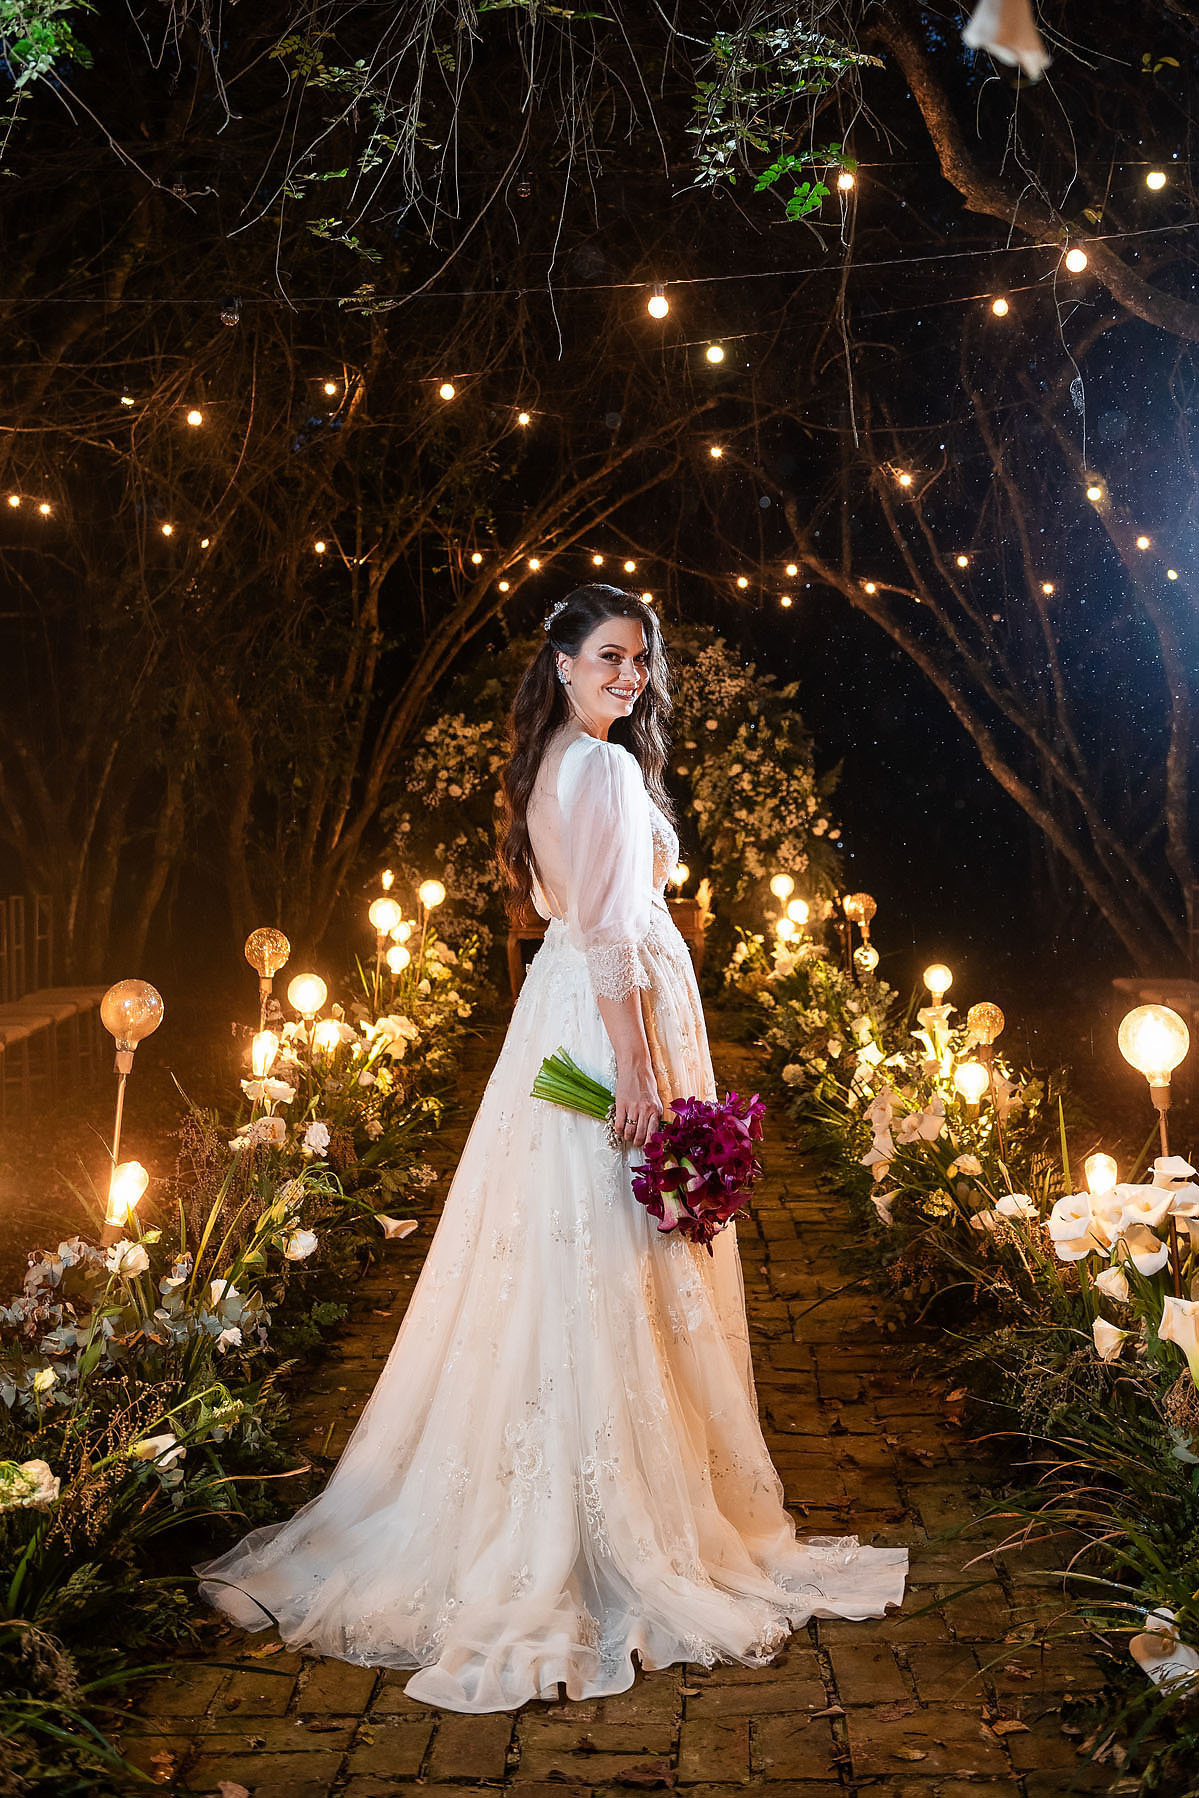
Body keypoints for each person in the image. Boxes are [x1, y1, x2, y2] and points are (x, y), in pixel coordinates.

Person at [195, 584, 907, 1713]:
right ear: (564, 662)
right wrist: (636, 1067)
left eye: (640, 660)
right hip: (609, 1017)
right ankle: (597, 1516)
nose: (630, 675)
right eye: (611, 657)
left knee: (559, 1240)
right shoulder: (605, 769)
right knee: (604, 1239)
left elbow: (568, 919)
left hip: (559, 1009)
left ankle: (560, 1477)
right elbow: (617, 929)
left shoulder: (545, 765)